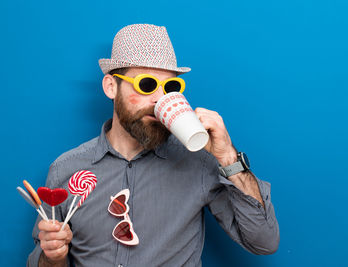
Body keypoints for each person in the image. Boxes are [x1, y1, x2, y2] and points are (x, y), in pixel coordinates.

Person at [27, 24, 279, 267]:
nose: (160, 98)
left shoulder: (199, 162)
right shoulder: (66, 169)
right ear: (111, 86)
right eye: (146, 84)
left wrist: (227, 156)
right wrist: (53, 257)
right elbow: (45, 260)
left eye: (170, 87)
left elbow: (264, 242)